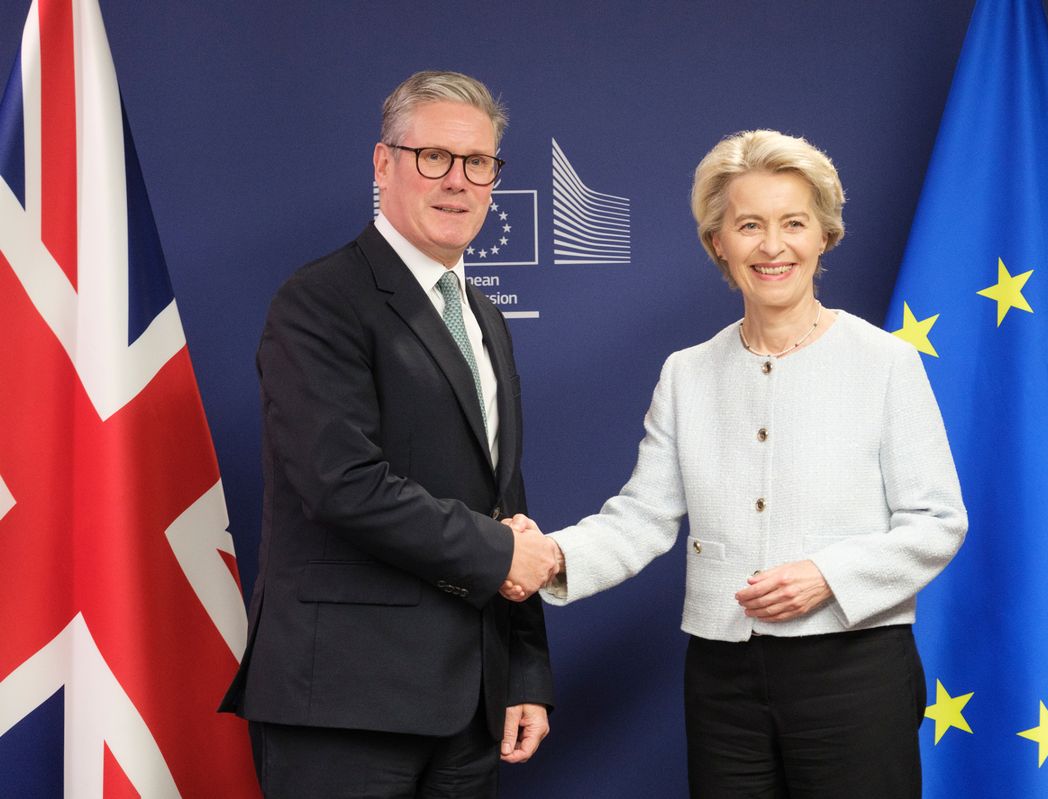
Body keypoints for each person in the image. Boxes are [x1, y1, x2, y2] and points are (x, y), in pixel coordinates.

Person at [505, 129, 967, 797]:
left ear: (824, 236)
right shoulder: (687, 373)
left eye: (793, 223)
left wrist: (828, 575)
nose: (772, 246)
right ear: (718, 242)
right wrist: (552, 555)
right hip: (723, 679)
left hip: (856, 670)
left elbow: (937, 520)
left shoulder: (886, 362)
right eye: (749, 225)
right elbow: (642, 517)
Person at [220, 70, 559, 798]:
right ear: (383, 163)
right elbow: (342, 483)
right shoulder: (320, 301)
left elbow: (505, 501)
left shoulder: (484, 316)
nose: (458, 180)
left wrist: (525, 670)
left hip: (471, 704)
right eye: (433, 156)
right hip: (345, 703)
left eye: (478, 162)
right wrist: (502, 553)